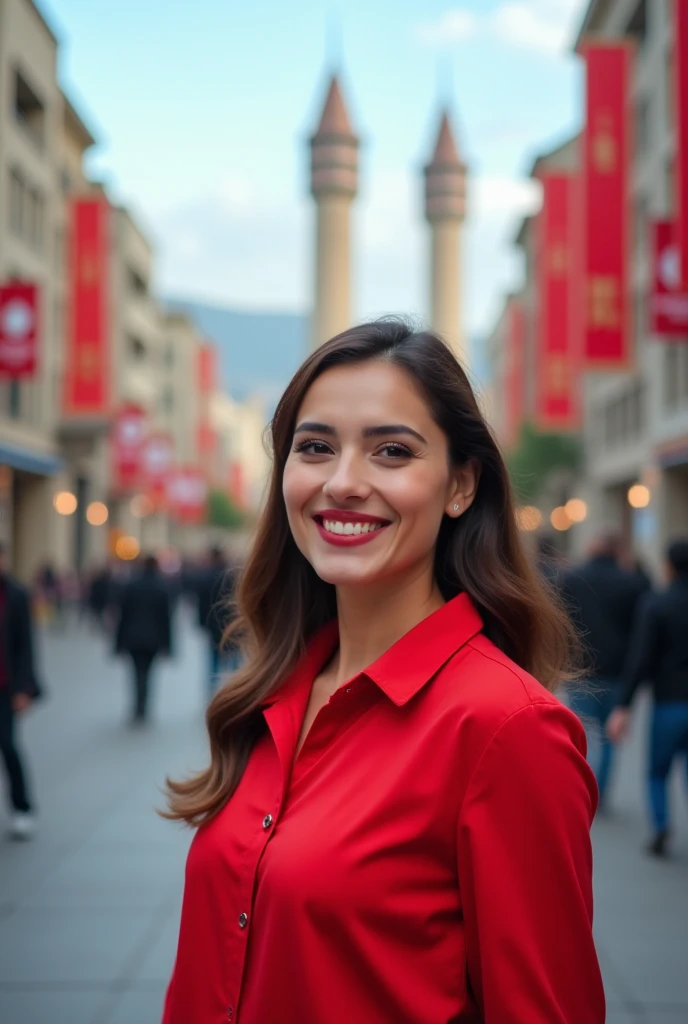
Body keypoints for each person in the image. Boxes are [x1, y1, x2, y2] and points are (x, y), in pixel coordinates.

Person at [161, 320, 604, 1024]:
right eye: (315, 448)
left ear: (460, 485)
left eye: (391, 451)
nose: (342, 483)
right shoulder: (275, 691)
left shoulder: (505, 728)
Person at [608, 539, 688, 857]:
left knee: (657, 771)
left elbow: (640, 660)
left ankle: (661, 825)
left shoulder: (656, 604)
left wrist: (623, 705)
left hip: (668, 701)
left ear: (668, 566)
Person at [560, 531, 648, 809]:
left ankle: (579, 788)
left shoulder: (572, 579)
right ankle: (600, 790)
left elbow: (560, 621)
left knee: (581, 732)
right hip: (618, 669)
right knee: (609, 735)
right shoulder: (631, 583)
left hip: (580, 668)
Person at [0, 544, 40, 839]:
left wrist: (25, 688)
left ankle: (22, 807)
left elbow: (26, 645)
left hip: (5, 687)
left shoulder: (15, 595)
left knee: (8, 746)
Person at [115, 554, 172, 725]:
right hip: (153, 639)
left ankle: (137, 707)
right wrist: (168, 645)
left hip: (132, 637)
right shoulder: (161, 587)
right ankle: (144, 706)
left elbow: (122, 616)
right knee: (148, 673)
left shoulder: (131, 585)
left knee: (135, 672)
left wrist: (118, 642)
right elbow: (166, 620)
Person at [196, 545, 240, 699]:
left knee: (213, 660)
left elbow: (201, 603)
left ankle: (212, 692)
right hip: (232, 624)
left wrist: (202, 623)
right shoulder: (232, 576)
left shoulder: (206, 576)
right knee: (234, 659)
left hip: (213, 625)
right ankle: (235, 691)